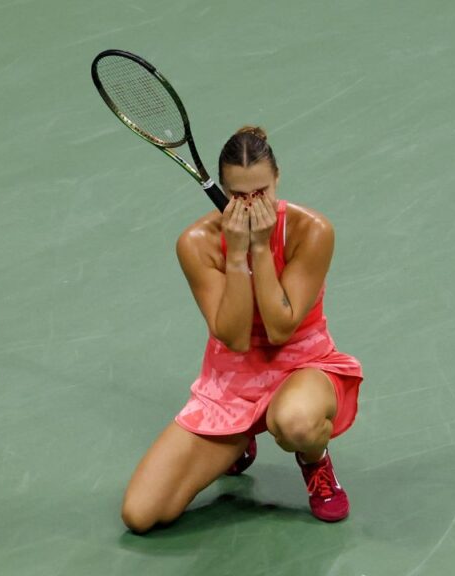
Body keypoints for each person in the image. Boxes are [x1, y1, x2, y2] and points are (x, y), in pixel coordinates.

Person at [120, 126, 363, 534]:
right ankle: (240, 435)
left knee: (297, 422)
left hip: (303, 366)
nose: (251, 206)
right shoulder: (196, 243)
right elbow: (232, 337)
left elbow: (281, 328)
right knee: (142, 514)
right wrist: (236, 253)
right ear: (221, 191)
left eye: (261, 192)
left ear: (278, 178)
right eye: (237, 196)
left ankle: (315, 460)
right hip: (231, 384)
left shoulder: (312, 231)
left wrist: (262, 249)